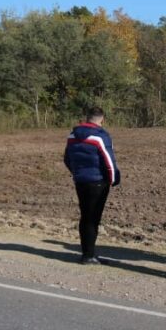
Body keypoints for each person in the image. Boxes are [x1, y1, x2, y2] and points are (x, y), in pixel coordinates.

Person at [63, 106, 121, 264]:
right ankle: (89, 255)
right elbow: (108, 161)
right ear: (102, 119)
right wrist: (114, 179)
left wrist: (77, 172)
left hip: (80, 181)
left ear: (87, 117)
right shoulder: (101, 136)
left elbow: (67, 158)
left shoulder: (72, 135)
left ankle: (88, 252)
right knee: (93, 218)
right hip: (98, 182)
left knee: (85, 216)